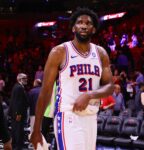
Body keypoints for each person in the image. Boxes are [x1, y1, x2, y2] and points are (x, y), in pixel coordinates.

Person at [30, 7, 114, 150]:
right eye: (80, 22)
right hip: (68, 116)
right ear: (73, 28)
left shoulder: (100, 53)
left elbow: (110, 86)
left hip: (91, 117)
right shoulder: (59, 52)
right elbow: (45, 92)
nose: (84, 25)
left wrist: (89, 95)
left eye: (88, 23)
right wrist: (36, 129)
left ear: (93, 29)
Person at [9, 73, 28, 150]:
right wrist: (18, 113)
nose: (26, 79)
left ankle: (15, 146)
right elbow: (17, 102)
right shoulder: (19, 88)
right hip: (18, 114)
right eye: (24, 78)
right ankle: (17, 147)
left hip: (16, 113)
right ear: (20, 79)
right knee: (18, 131)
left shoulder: (17, 86)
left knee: (16, 130)